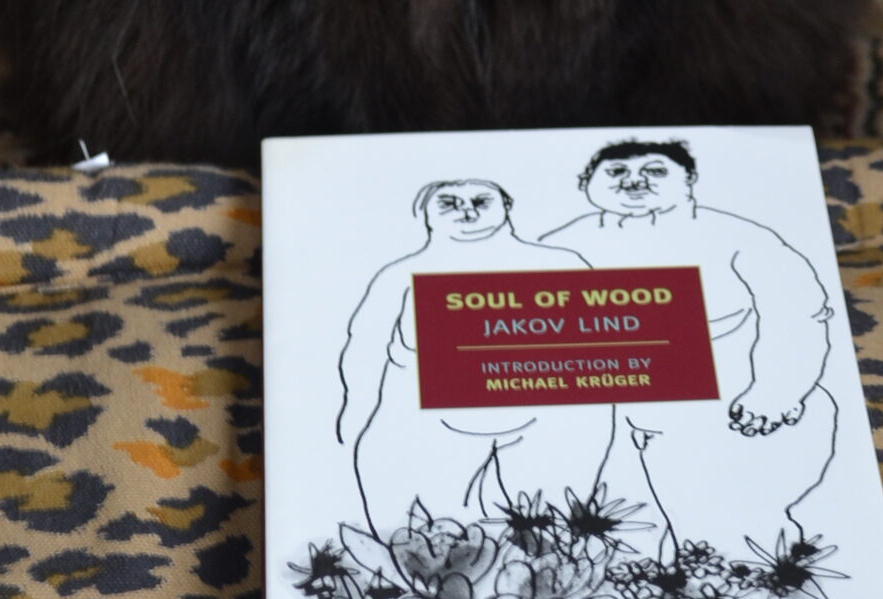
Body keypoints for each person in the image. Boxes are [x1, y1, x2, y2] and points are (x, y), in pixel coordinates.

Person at [544, 140, 837, 555]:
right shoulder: (559, 245)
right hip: (613, 418)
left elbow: (799, 314)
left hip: (731, 405)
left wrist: (775, 392)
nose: (635, 182)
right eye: (616, 173)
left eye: (655, 172)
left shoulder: (741, 237)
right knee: (616, 537)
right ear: (586, 183)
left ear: (689, 180)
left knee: (727, 533)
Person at [336, 179, 606, 539]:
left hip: (543, 416)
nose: (467, 211)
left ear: (507, 207)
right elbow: (364, 345)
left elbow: (604, 344)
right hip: (427, 416)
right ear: (426, 215)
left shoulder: (559, 263)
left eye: (481, 201)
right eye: (448, 203)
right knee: (421, 532)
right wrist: (356, 408)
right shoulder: (399, 275)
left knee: (548, 531)